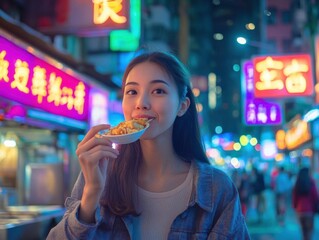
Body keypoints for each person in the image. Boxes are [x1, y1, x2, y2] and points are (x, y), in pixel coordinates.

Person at [47, 51, 250, 239]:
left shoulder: (217, 188)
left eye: (158, 91)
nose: (141, 103)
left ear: (182, 106)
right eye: (132, 91)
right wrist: (91, 193)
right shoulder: (101, 172)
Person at [292, 167, 319, 240]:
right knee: (309, 232)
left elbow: (294, 198)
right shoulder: (311, 182)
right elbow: (315, 197)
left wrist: (295, 208)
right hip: (309, 211)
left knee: (303, 232)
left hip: (300, 211)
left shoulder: (297, 183)